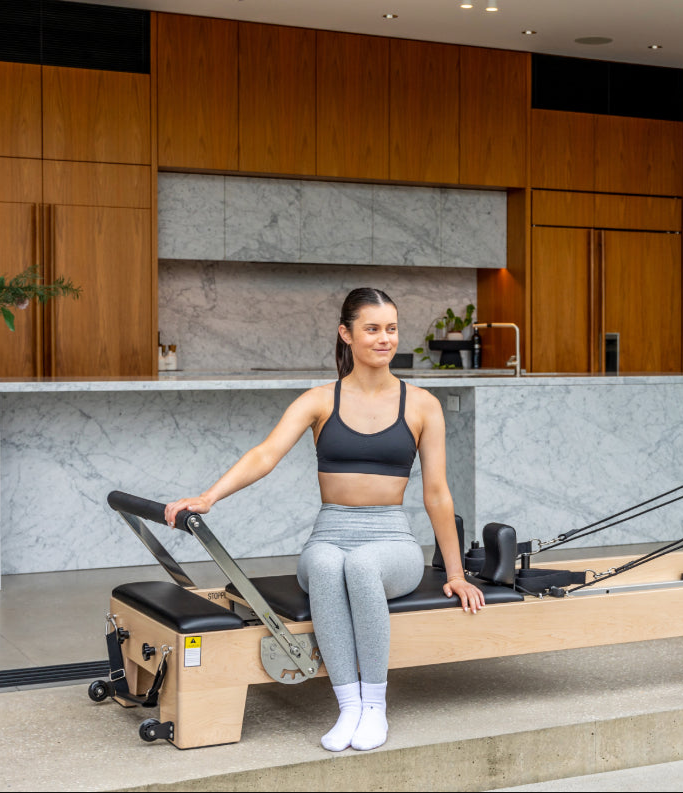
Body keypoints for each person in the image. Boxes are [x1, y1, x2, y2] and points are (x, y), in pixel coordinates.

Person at [164, 287, 485, 752]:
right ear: (346, 334)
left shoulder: (421, 405)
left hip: (391, 539)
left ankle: (375, 706)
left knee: (360, 566)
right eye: (372, 329)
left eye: (391, 328)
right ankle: (348, 706)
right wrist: (209, 497)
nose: (384, 339)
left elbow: (436, 493)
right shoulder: (320, 400)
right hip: (329, 533)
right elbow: (265, 454)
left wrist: (454, 573)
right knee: (332, 566)